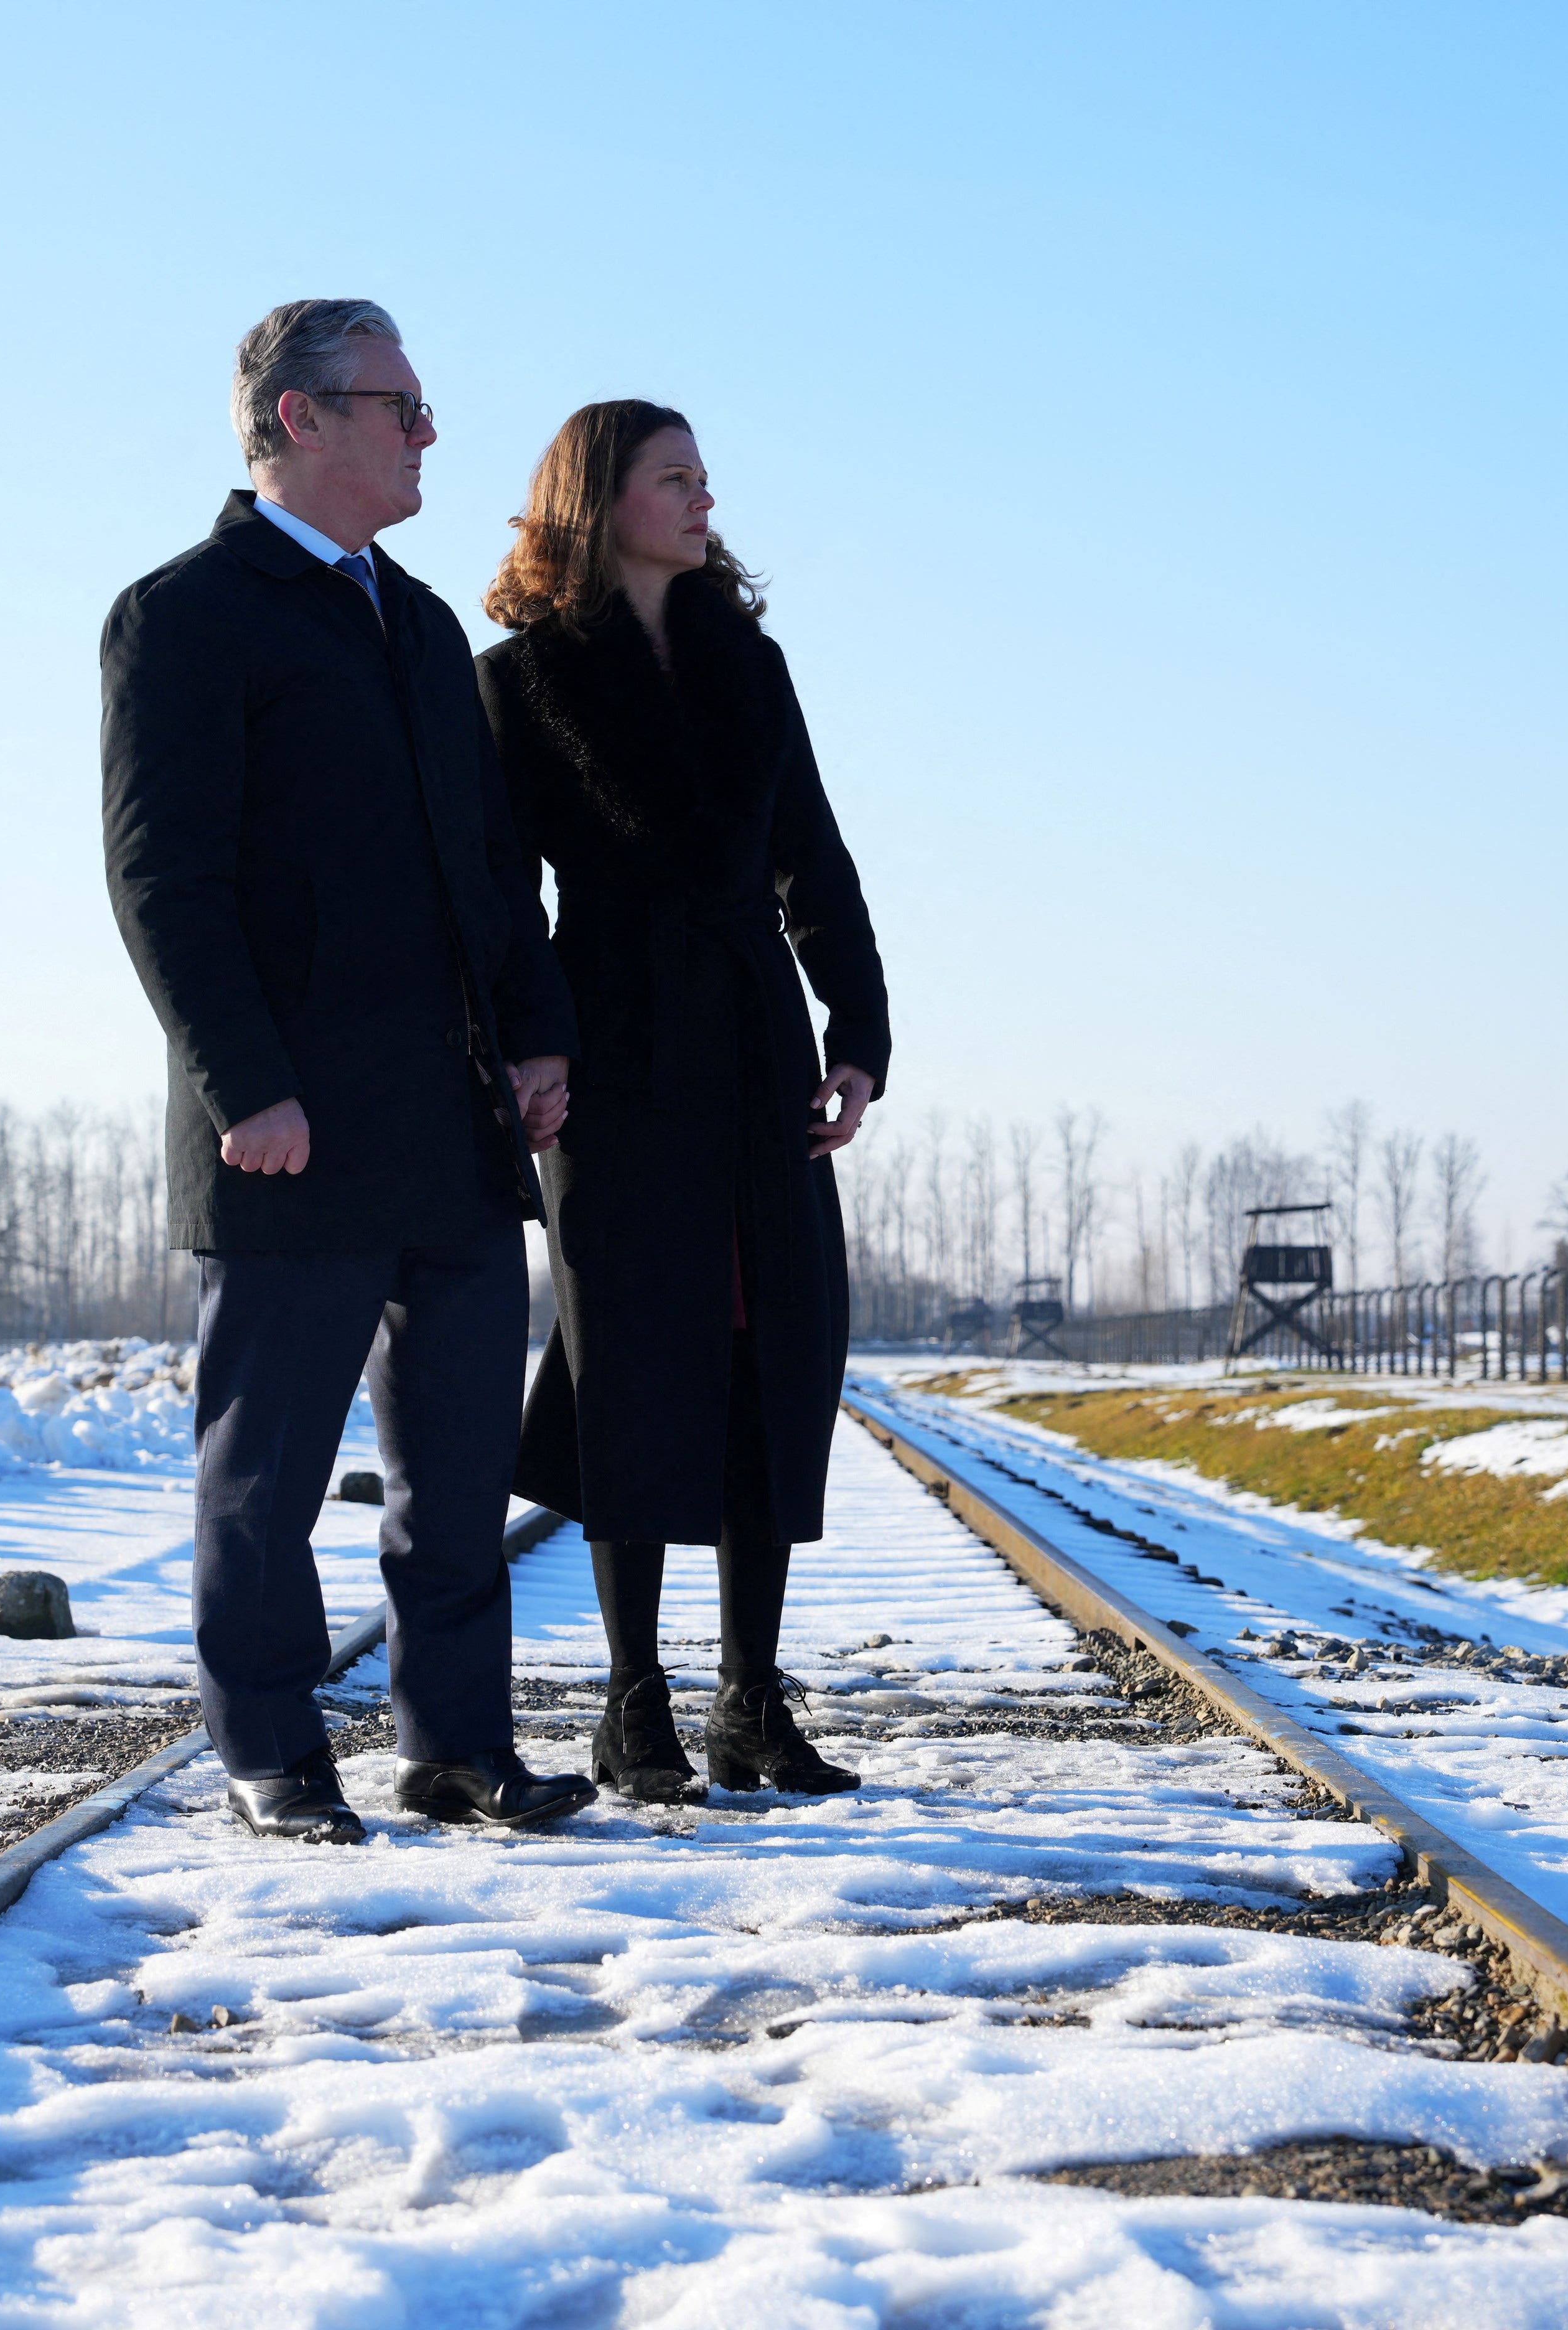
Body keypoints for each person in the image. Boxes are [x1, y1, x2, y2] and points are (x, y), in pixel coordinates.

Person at [103, 299, 595, 1844]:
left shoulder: (427, 624)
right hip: (288, 1131)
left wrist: (535, 1032)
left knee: (456, 1478)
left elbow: (486, 873)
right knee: (268, 1480)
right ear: (296, 419)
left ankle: (455, 1748)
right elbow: (162, 879)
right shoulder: (184, 615)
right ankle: (271, 1751)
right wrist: (245, 1085)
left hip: (448, 1123)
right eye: (399, 405)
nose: (427, 433)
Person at [478, 401, 892, 1801]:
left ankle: (751, 1702)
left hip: (756, 1045)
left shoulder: (750, 665)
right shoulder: (521, 681)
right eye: (676, 479)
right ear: (599, 500)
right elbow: (497, 897)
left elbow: (814, 860)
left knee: (769, 1343)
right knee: (631, 1356)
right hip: (607, 1051)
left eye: (707, 479)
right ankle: (633, 1702)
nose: (705, 501)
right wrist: (531, 1043)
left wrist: (860, 1030)